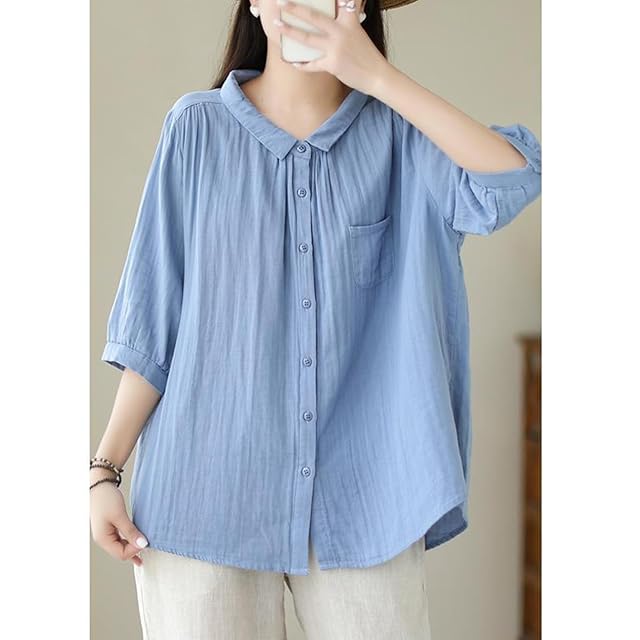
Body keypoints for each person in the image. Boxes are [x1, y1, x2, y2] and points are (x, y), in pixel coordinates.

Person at [90, 0, 542, 637]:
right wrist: (103, 471)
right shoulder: (195, 129)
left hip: (369, 500)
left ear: (356, 4)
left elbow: (514, 180)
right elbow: (153, 322)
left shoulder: (406, 136)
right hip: (202, 496)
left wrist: (376, 75)